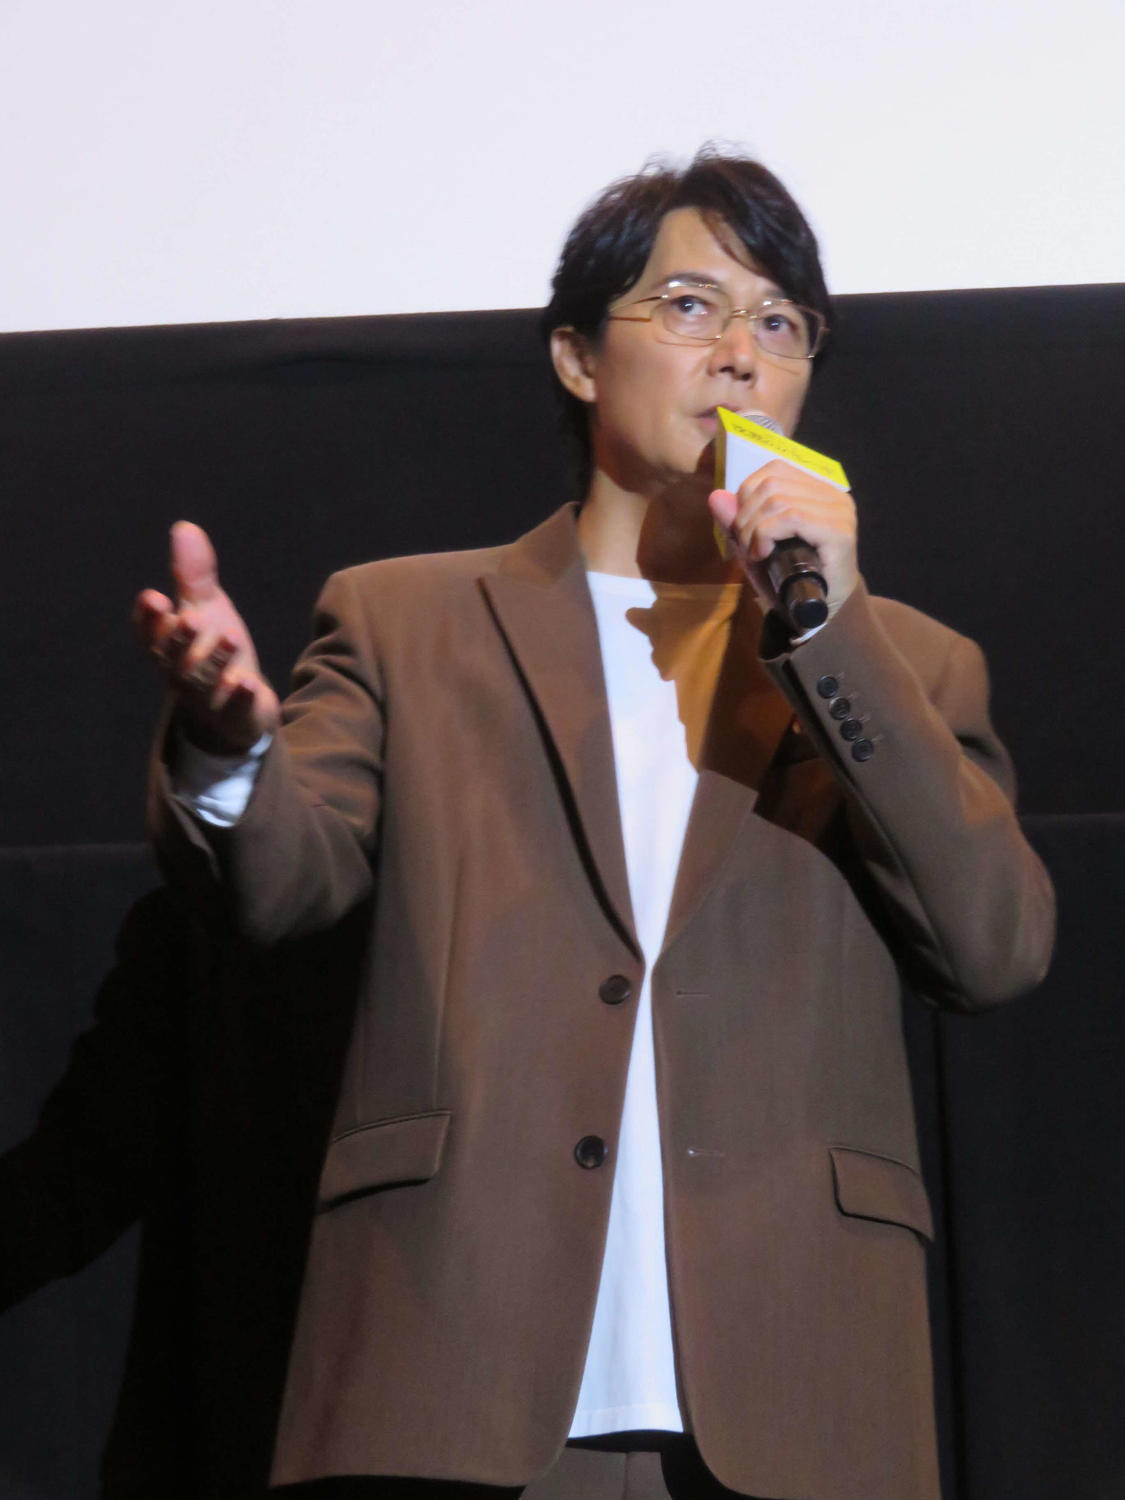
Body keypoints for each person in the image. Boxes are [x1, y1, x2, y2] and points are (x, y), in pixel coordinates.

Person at [134, 150, 1055, 1500]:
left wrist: (829, 638)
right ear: (576, 356)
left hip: (798, 1385)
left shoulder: (903, 665)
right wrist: (226, 748)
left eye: (781, 323)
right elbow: (281, 885)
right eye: (690, 307)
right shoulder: (406, 621)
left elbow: (993, 949)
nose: (740, 354)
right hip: (456, 1375)